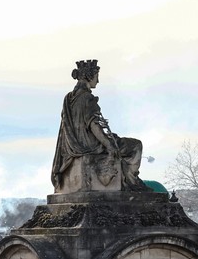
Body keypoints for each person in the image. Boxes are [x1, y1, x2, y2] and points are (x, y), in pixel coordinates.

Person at [51, 58, 146, 193]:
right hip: (90, 144)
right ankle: (131, 182)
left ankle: (126, 180)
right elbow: (95, 126)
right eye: (97, 76)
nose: (98, 81)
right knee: (135, 145)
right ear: (90, 76)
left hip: (72, 146)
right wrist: (110, 145)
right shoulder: (87, 98)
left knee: (119, 140)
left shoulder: (69, 98)